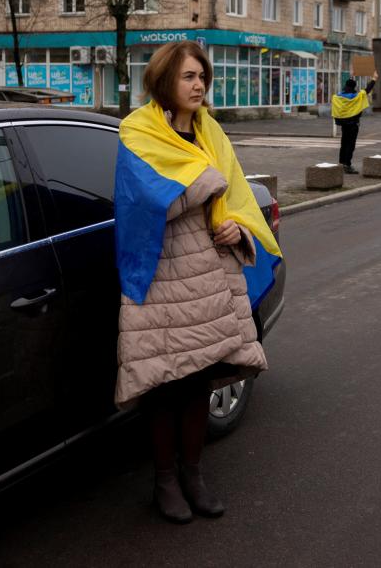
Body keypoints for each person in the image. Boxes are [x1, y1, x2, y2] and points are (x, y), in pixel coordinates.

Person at [113, 41, 281, 524]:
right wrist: (205, 186)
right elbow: (140, 209)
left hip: (209, 277)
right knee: (166, 385)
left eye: (202, 77)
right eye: (188, 77)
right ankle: (164, 481)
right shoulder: (138, 133)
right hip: (163, 277)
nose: (198, 85)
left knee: (199, 381)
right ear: (165, 79)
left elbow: (239, 198)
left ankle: (194, 475)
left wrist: (240, 228)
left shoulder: (210, 133)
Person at [331, 77, 376, 174]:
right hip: (353, 124)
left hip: (343, 123)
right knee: (350, 145)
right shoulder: (355, 96)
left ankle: (341, 163)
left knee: (343, 143)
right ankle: (347, 165)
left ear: (345, 86)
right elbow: (366, 90)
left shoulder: (338, 96)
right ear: (354, 86)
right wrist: (374, 79)